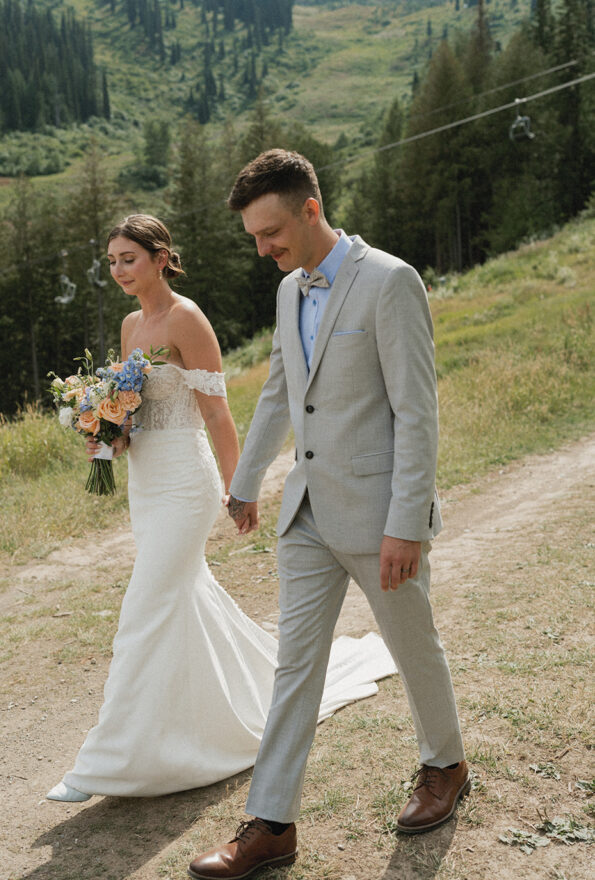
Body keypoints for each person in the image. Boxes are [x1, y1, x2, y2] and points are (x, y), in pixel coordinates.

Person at [46, 213, 396, 803]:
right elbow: (134, 412)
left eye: (128, 258)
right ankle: (209, 719)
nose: (118, 270)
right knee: (180, 600)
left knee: (144, 607)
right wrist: (105, 434)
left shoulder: (188, 319)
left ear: (161, 256)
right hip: (145, 482)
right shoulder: (132, 325)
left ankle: (105, 762)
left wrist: (241, 487)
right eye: (111, 261)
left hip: (186, 484)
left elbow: (216, 412)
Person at [188, 151, 468, 880]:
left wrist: (405, 523)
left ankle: (445, 765)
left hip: (381, 519)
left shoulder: (389, 281)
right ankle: (270, 823)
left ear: (310, 211)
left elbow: (416, 412)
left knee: (414, 648)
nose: (263, 249)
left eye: (271, 232)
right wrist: (245, 484)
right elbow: (282, 392)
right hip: (306, 515)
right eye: (254, 236)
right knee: (293, 668)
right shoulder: (289, 292)